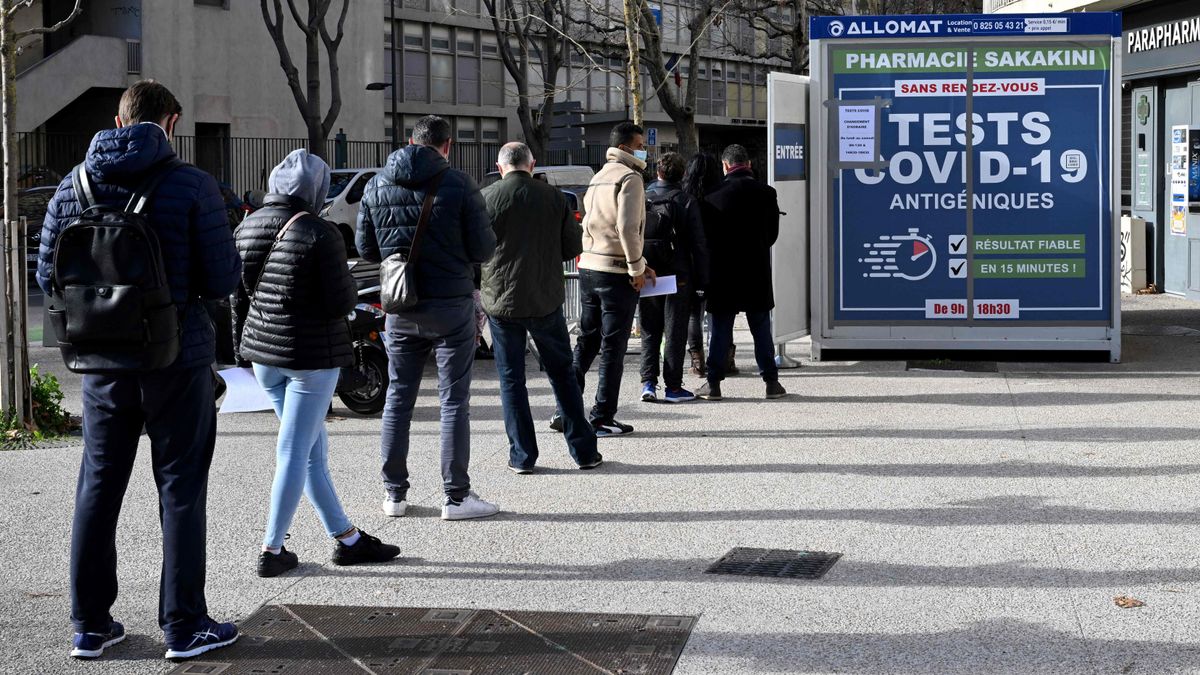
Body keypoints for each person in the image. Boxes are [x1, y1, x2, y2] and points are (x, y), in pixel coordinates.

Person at [36, 80, 242, 661]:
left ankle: (90, 625)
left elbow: (49, 278)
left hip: (101, 363)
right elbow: (224, 280)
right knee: (179, 488)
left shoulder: (72, 188)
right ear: (171, 122)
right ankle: (183, 625)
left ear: (118, 119)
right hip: (177, 357)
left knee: (98, 487)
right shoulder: (194, 186)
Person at [235, 149, 401, 578]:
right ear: (317, 189)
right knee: (295, 451)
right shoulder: (321, 233)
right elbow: (342, 301)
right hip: (310, 357)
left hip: (264, 356)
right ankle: (272, 549)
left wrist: (241, 347)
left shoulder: (247, 226)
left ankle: (346, 538)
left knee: (310, 451)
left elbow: (238, 295)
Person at [357, 115, 500, 521]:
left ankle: (394, 494)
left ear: (409, 142)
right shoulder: (458, 185)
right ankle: (456, 496)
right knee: (453, 400)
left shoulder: (376, 184)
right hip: (451, 303)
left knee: (398, 398)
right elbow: (483, 248)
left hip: (399, 305)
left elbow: (367, 249)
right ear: (447, 146)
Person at [480, 142, 603, 473]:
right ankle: (584, 452)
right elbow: (571, 248)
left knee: (511, 379)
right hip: (545, 298)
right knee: (562, 374)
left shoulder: (486, 198)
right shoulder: (553, 197)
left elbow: (475, 249)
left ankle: (522, 456)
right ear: (532, 164)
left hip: (501, 300)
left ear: (500, 165)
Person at [569, 121, 655, 436]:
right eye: (640, 144)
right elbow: (628, 228)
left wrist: (641, 264)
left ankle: (564, 408)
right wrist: (636, 269)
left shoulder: (598, 177)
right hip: (617, 270)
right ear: (626, 147)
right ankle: (602, 415)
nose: (644, 149)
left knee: (586, 342)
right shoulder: (630, 178)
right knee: (613, 347)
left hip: (589, 266)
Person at [696, 144, 786, 402]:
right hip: (755, 270)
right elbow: (772, 235)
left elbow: (706, 238)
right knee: (760, 327)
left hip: (723, 272)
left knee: (721, 327)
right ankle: (771, 382)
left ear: (725, 166)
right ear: (748, 163)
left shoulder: (712, 194)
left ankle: (713, 383)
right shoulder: (767, 193)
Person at [638, 151, 710, 403]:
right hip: (677, 275)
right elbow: (698, 245)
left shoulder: (644, 197)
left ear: (658, 172)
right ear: (682, 174)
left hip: (647, 272)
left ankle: (648, 383)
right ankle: (673, 387)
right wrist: (702, 280)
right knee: (675, 331)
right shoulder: (686, 201)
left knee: (649, 329)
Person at [681, 153, 724, 378]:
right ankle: (726, 356)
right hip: (718, 260)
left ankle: (697, 361)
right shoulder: (720, 196)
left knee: (693, 313)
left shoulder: (686, 198)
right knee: (721, 311)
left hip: (692, 262)